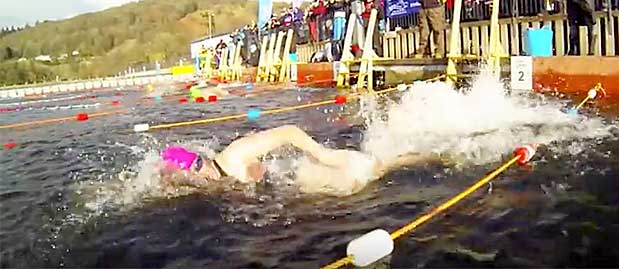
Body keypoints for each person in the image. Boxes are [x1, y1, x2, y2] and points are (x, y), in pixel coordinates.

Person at [159, 125, 427, 195]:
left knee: (383, 167)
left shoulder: (233, 155)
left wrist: (320, 154)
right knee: (379, 170)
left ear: (200, 163)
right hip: (315, 177)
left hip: (330, 164)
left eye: (197, 168)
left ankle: (433, 154)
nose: (200, 176)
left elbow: (289, 132)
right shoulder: (221, 176)